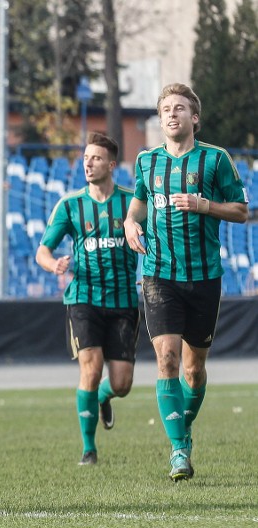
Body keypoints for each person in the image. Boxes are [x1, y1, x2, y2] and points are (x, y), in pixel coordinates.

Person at [123, 83, 248, 481]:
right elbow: (139, 204)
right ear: (159, 119)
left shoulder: (215, 160)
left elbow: (243, 212)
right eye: (165, 109)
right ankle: (179, 451)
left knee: (194, 372)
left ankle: (183, 429)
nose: (172, 114)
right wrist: (129, 223)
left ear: (194, 118)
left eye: (180, 108)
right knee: (167, 359)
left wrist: (204, 205)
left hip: (204, 277)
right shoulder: (146, 162)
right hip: (159, 275)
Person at [35, 132, 140, 466]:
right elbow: (43, 250)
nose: (88, 163)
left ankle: (104, 399)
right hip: (83, 298)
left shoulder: (133, 203)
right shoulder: (70, 204)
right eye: (85, 159)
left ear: (111, 164)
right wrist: (54, 264)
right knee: (91, 370)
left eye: (95, 158)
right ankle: (89, 450)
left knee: (121, 383)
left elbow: (156, 235)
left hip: (124, 300)